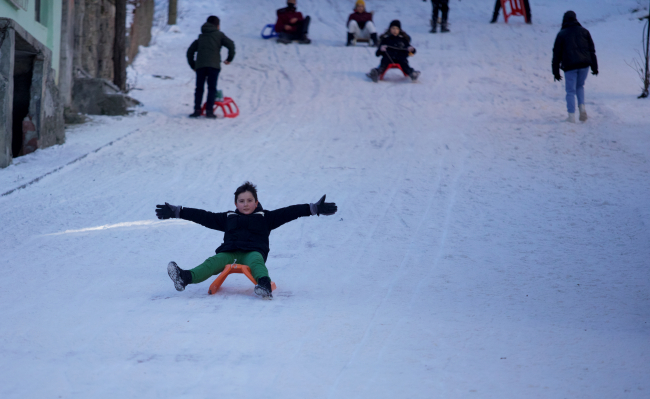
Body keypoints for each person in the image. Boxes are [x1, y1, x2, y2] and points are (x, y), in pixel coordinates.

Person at [156, 182, 338, 299]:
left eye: (249, 200)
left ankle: (264, 285)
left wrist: (313, 208)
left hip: (253, 252)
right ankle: (185, 277)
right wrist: (178, 211)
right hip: (230, 252)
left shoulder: (266, 217)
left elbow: (289, 212)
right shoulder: (227, 217)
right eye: (241, 201)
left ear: (256, 202)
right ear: (235, 204)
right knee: (212, 262)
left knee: (257, 262)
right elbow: (204, 216)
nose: (245, 204)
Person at [552, 11, 598, 123]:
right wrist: (594, 67)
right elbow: (591, 50)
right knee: (580, 86)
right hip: (584, 64)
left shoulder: (561, 34)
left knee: (570, 91)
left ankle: (571, 116)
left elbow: (556, 54)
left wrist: (556, 72)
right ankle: (582, 107)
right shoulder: (585, 32)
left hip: (570, 65)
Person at [186, 16, 235, 119]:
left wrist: (193, 65)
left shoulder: (201, 37)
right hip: (214, 66)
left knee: (199, 88)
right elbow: (231, 45)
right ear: (217, 25)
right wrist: (229, 59)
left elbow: (190, 51)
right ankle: (209, 111)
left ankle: (197, 110)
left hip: (200, 66)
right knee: (211, 88)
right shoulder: (219, 35)